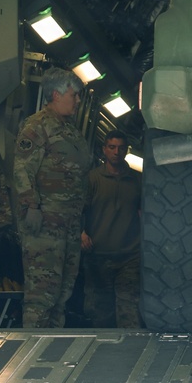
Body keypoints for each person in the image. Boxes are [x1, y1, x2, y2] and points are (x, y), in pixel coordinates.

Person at [13, 69, 92, 329]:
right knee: (41, 294)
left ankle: (51, 350)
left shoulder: (70, 130)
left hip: (68, 226)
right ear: (56, 94)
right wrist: (31, 206)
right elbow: (22, 169)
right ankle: (30, 353)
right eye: (75, 95)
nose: (78, 101)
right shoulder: (38, 126)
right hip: (45, 225)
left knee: (61, 294)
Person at [81, 133, 142, 328]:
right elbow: (79, 210)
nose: (116, 152)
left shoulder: (136, 180)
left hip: (129, 255)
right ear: (104, 149)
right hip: (98, 254)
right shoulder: (92, 179)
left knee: (129, 309)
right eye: (112, 147)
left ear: (126, 151)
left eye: (121, 148)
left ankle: (131, 352)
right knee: (100, 312)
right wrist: (81, 233)